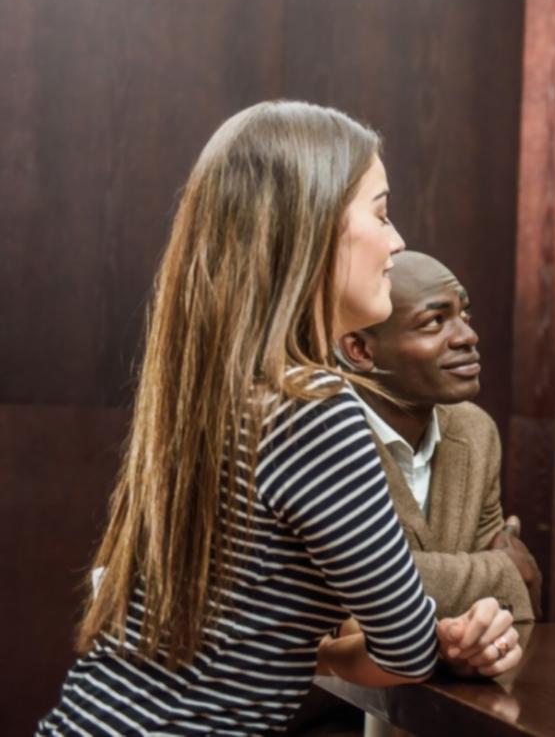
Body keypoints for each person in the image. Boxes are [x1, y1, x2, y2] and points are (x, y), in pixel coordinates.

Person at [38, 102, 521, 736]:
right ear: (316, 230)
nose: (397, 240)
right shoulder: (315, 410)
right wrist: (443, 641)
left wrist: (330, 647)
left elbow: (246, 639)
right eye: (380, 211)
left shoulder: (215, 388)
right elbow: (402, 648)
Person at [336, 250, 541, 620]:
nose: (468, 336)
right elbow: (344, 593)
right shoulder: (320, 435)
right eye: (434, 321)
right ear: (361, 350)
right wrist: (499, 571)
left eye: (464, 314)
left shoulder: (475, 430)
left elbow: (511, 609)